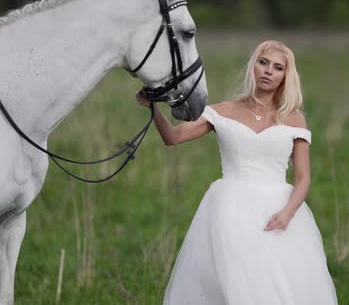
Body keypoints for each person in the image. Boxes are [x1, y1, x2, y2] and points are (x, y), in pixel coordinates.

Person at [136, 40, 338, 304]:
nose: (268, 71)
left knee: (276, 282)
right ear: (253, 66)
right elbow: (173, 137)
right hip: (228, 209)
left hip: (276, 210)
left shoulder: (294, 119)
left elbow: (303, 178)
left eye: (277, 68)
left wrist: (288, 213)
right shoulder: (222, 111)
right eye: (263, 63)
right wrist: (153, 108)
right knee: (233, 281)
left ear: (285, 77)